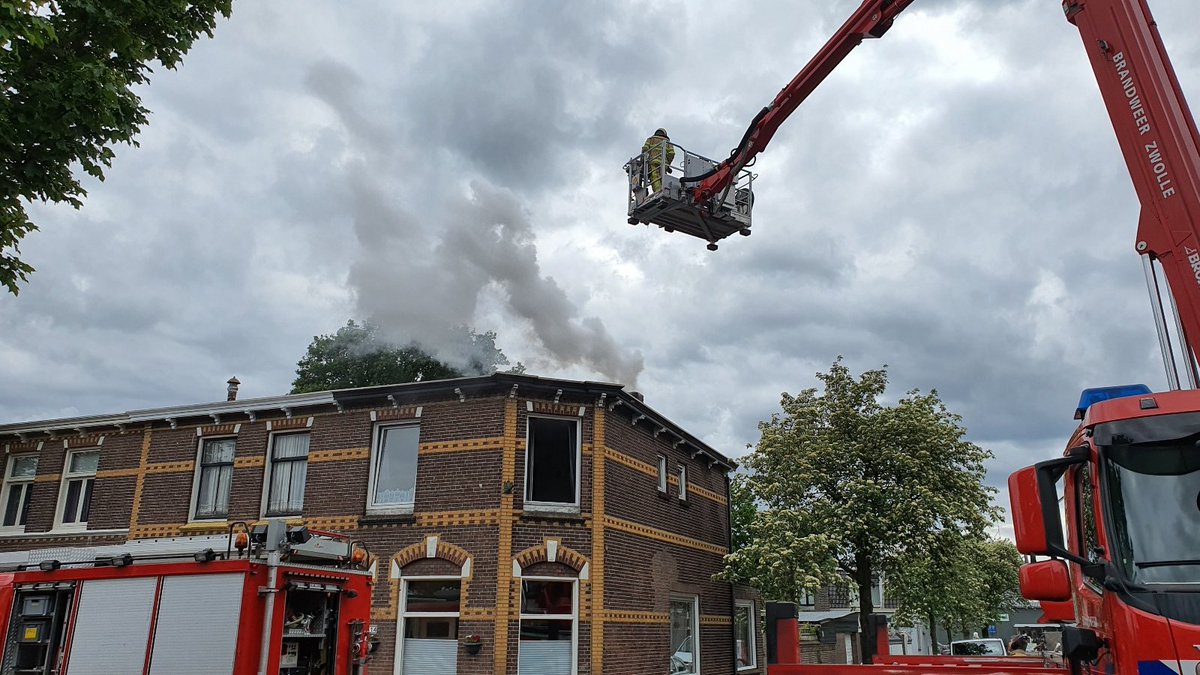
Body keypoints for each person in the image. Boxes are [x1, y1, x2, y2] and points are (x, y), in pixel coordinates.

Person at [642, 128, 675, 193]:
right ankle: (664, 190)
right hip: (663, 164)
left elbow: (645, 149)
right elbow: (671, 153)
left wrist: (642, 161)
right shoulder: (668, 142)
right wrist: (668, 165)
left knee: (655, 177)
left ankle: (658, 191)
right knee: (663, 177)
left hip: (653, 162)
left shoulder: (651, 139)